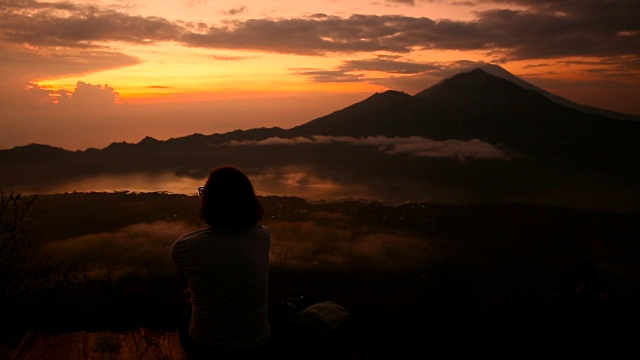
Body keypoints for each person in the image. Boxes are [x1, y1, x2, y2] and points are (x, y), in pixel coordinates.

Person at [172, 166, 271, 359]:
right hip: (258, 346)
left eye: (204, 192)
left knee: (187, 306)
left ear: (209, 201)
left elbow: (188, 285)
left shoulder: (184, 246)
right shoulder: (263, 236)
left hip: (205, 349)